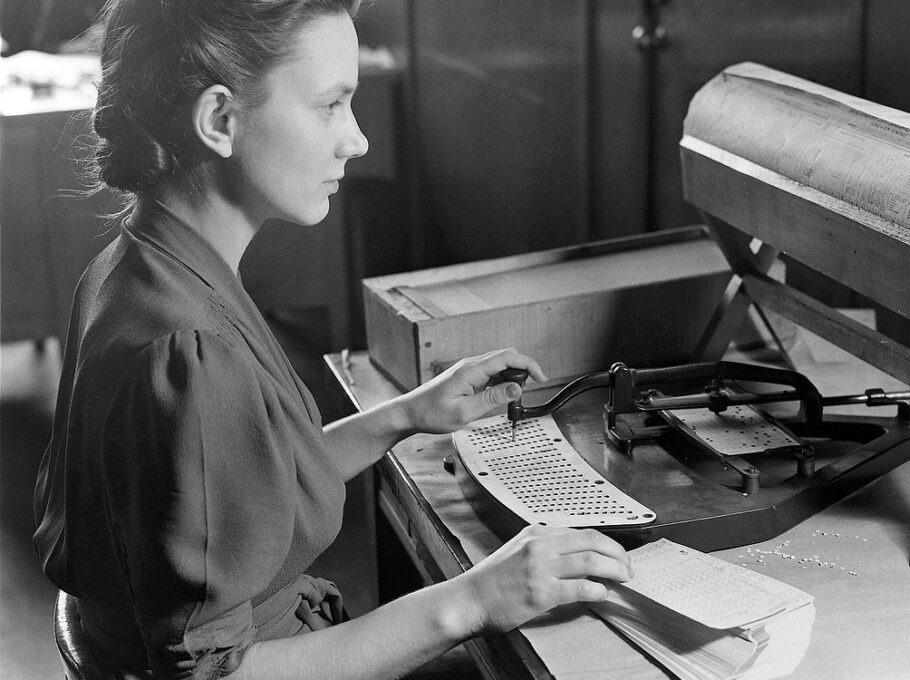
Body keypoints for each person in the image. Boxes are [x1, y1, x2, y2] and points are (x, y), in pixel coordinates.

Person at [31, 1, 632, 678]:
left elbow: (232, 487)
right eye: (331, 105)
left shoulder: (132, 269)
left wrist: (406, 415)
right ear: (220, 120)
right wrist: (474, 599)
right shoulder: (191, 350)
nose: (358, 140)